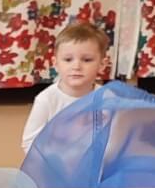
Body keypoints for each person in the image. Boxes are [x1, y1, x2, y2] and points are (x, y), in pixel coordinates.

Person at [21, 21, 110, 152]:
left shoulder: (108, 98)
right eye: (68, 60)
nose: (76, 66)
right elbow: (29, 141)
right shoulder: (46, 100)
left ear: (102, 64)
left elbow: (116, 138)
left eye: (87, 60)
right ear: (56, 63)